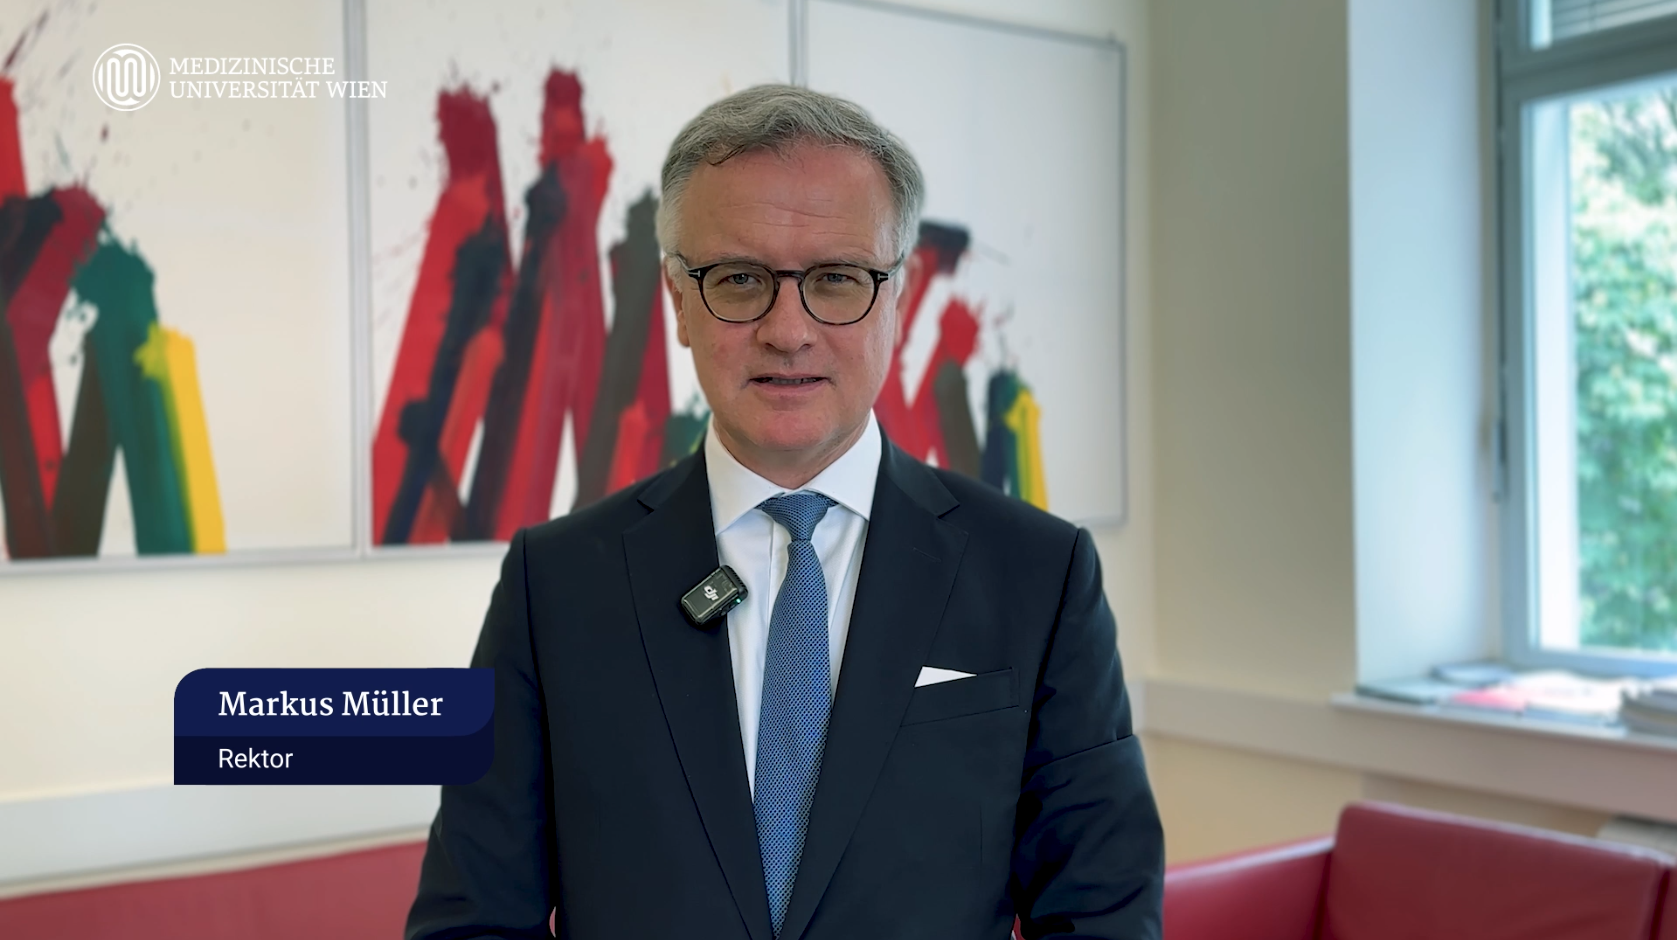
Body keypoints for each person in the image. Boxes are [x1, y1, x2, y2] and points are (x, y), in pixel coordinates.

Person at [406, 84, 1163, 940]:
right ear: (677, 298)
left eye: (837, 279)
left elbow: (1101, 912)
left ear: (899, 293)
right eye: (739, 280)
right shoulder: (554, 584)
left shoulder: (1039, 575)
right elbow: (473, 919)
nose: (788, 330)